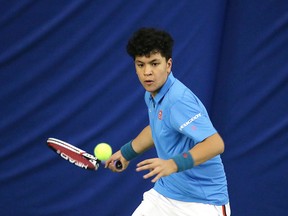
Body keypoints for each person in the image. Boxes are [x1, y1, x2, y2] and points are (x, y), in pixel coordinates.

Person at [105, 27, 230, 216]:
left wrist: (173, 164)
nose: (147, 72)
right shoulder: (152, 95)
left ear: (168, 65)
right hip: (165, 195)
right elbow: (159, 128)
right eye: (141, 65)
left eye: (154, 64)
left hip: (202, 203)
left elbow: (215, 144)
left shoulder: (178, 100)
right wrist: (126, 153)